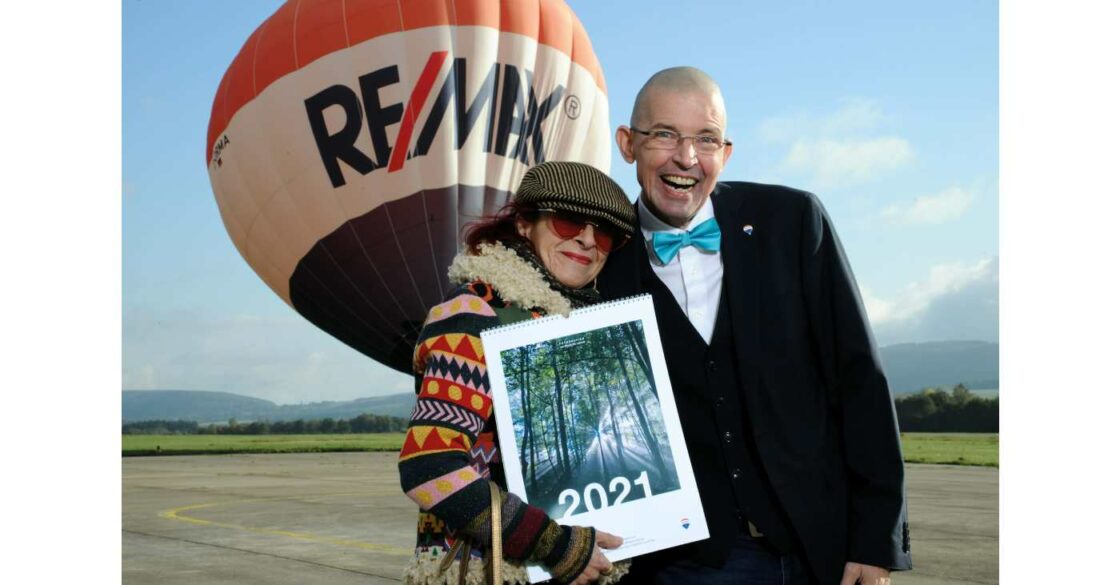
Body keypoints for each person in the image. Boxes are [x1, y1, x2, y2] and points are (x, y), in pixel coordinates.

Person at [598, 67, 912, 585]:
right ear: (627, 144)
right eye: (665, 135)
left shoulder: (793, 221)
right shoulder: (601, 261)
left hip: (819, 552)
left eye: (706, 138)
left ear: (726, 152)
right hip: (681, 567)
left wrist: (875, 539)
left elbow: (859, 381)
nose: (687, 158)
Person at [399, 161, 636, 585]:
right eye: (567, 222)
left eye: (603, 234)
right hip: (491, 572)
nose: (586, 239)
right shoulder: (474, 313)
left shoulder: (583, 329)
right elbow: (429, 466)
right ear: (525, 224)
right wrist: (555, 545)